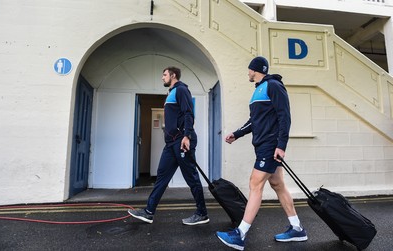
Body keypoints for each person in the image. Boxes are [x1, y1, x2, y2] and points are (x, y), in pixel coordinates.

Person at [216, 57, 307, 250]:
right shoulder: (258, 90)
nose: (247, 73)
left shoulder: (273, 86)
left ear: (254, 70)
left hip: (270, 145)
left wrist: (281, 145)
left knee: (255, 183)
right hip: (263, 145)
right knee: (277, 184)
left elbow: (285, 116)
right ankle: (297, 228)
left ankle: (240, 234)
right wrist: (237, 134)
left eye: (249, 70)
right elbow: (254, 121)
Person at [128, 66, 209, 225]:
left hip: (182, 141)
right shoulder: (171, 93)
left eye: (164, 74)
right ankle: (149, 212)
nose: (162, 77)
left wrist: (187, 136)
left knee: (191, 178)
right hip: (171, 142)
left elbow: (188, 113)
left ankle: (202, 213)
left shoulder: (181, 90)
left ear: (173, 75)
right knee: (162, 176)